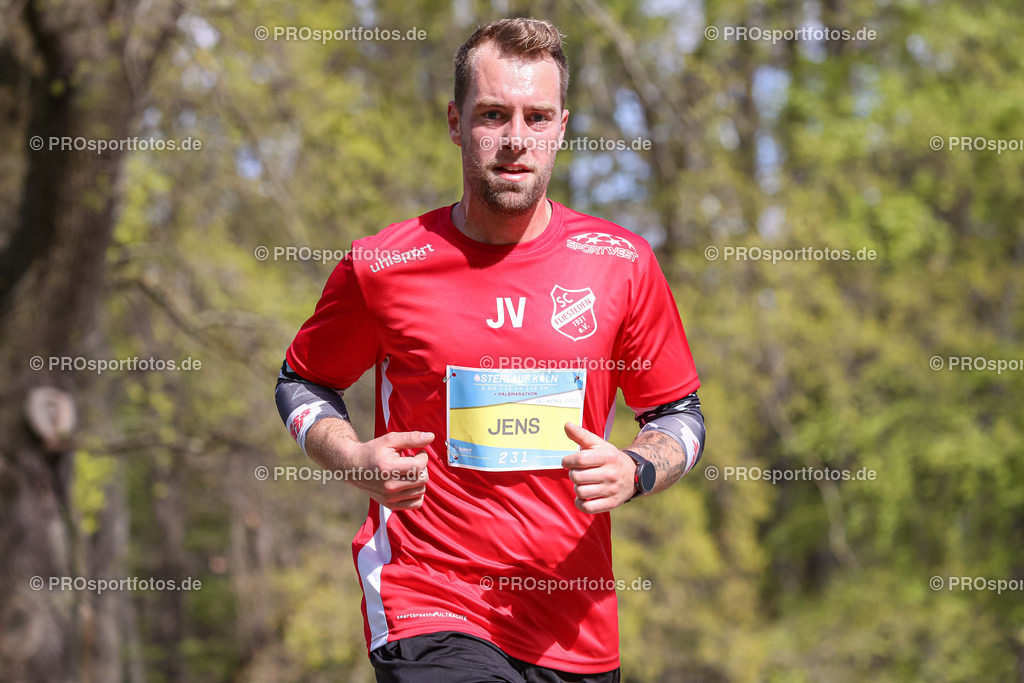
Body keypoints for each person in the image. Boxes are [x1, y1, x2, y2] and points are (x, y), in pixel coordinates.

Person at [275, 17, 706, 683]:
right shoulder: (386, 265)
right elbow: (301, 381)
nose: (515, 140)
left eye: (536, 117)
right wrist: (352, 456)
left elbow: (679, 413)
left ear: (562, 126)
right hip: (430, 598)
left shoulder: (620, 263)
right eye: (493, 115)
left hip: (573, 625)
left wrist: (636, 468)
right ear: (455, 122)